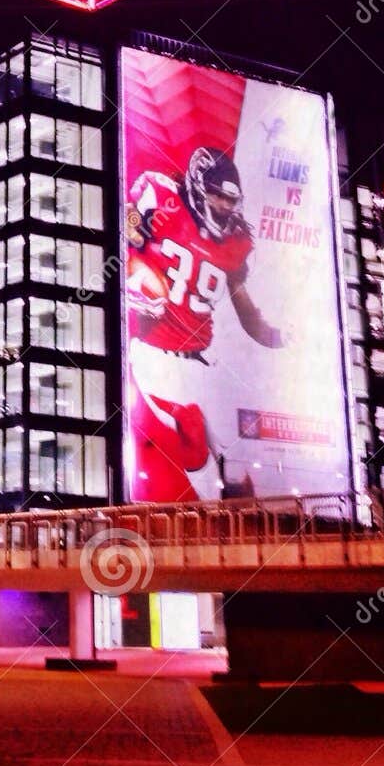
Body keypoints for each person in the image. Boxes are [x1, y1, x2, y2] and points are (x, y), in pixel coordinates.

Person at [126, 146, 288, 502]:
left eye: (231, 200)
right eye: (217, 196)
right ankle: (212, 516)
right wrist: (134, 230)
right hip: (156, 353)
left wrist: (289, 339)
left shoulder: (236, 242)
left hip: (205, 356)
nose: (224, 207)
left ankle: (242, 517)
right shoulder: (161, 195)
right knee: (193, 429)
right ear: (198, 188)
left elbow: (247, 311)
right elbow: (123, 223)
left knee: (240, 450)